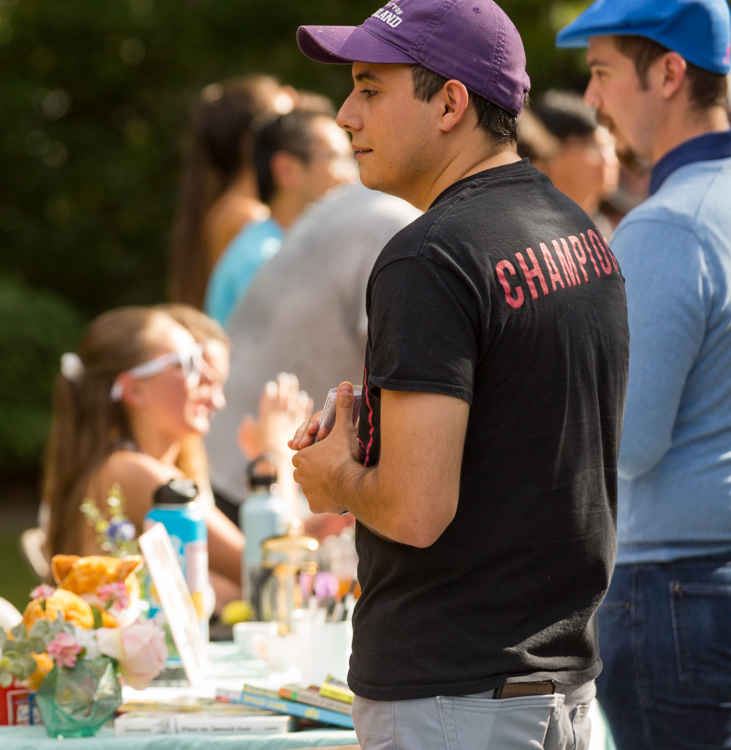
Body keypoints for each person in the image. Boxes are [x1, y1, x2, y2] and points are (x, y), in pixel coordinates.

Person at [289, 1, 629, 747]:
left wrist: (331, 475)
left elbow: (416, 508)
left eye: (370, 89)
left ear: (449, 102)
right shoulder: (580, 233)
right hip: (558, 687)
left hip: (454, 694)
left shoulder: (427, 257)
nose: (346, 115)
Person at [555, 1, 731, 746]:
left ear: (667, 72)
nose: (590, 99)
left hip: (678, 592)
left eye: (600, 73)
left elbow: (624, 441)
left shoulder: (668, 222)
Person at [205, 183, 420, 524]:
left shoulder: (363, 205)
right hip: (255, 462)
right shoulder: (396, 225)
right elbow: (406, 369)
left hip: (253, 453)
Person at [40, 305, 243, 601]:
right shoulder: (133, 473)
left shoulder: (128, 467)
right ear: (135, 391)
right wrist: (276, 454)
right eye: (187, 363)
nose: (209, 376)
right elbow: (257, 566)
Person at [204, 110, 356, 327]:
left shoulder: (278, 246)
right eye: (335, 158)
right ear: (287, 170)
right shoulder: (264, 261)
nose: (351, 176)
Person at [168, 75, 296, 308]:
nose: (299, 135)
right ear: (253, 143)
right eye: (284, 125)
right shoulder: (247, 217)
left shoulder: (233, 209)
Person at [527, 90, 621, 236]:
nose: (609, 159)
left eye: (609, 146)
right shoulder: (527, 231)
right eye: (592, 145)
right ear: (549, 156)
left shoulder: (604, 229)